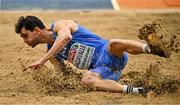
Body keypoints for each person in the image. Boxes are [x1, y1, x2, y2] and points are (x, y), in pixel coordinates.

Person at [15, 16, 170, 97]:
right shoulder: (52, 53)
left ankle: (153, 49)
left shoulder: (60, 25)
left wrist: (42, 60)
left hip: (110, 53)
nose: (24, 41)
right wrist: (45, 79)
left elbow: (66, 38)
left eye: (25, 35)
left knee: (114, 42)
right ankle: (140, 90)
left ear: (36, 30)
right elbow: (60, 75)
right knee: (87, 79)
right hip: (102, 72)